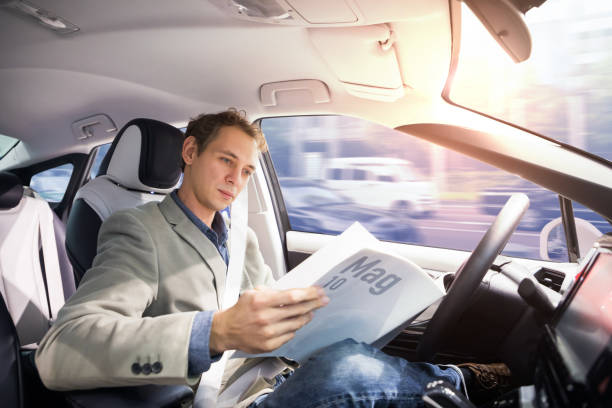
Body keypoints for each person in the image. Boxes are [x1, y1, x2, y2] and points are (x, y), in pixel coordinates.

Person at [35, 109, 506, 407]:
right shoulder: (138, 229)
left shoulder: (243, 239)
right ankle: (460, 383)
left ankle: (457, 385)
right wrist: (213, 332)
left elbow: (273, 316)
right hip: (212, 399)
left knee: (348, 355)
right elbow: (61, 351)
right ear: (191, 151)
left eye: (245, 170)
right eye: (225, 161)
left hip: (271, 381)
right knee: (349, 370)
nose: (235, 179)